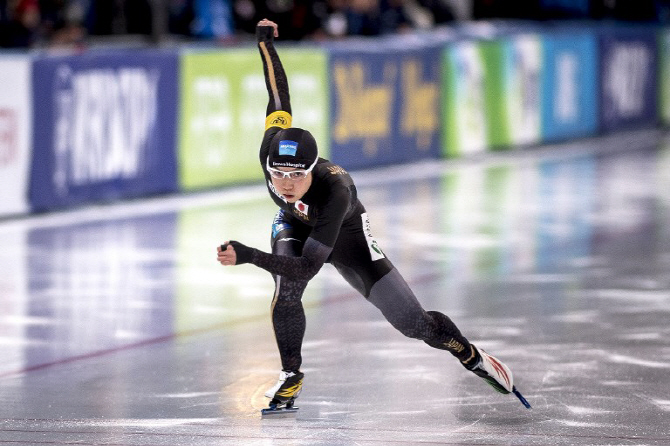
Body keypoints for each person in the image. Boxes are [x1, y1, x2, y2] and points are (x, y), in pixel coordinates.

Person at [217, 18, 527, 412]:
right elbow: (278, 94)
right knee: (285, 289)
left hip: (346, 236)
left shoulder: (336, 192)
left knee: (414, 325)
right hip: (295, 224)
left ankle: (467, 352)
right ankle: (291, 376)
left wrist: (247, 255)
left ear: (312, 170)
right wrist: (265, 44)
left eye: (296, 176)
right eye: (278, 175)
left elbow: (309, 267)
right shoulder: (271, 148)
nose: (285, 184)